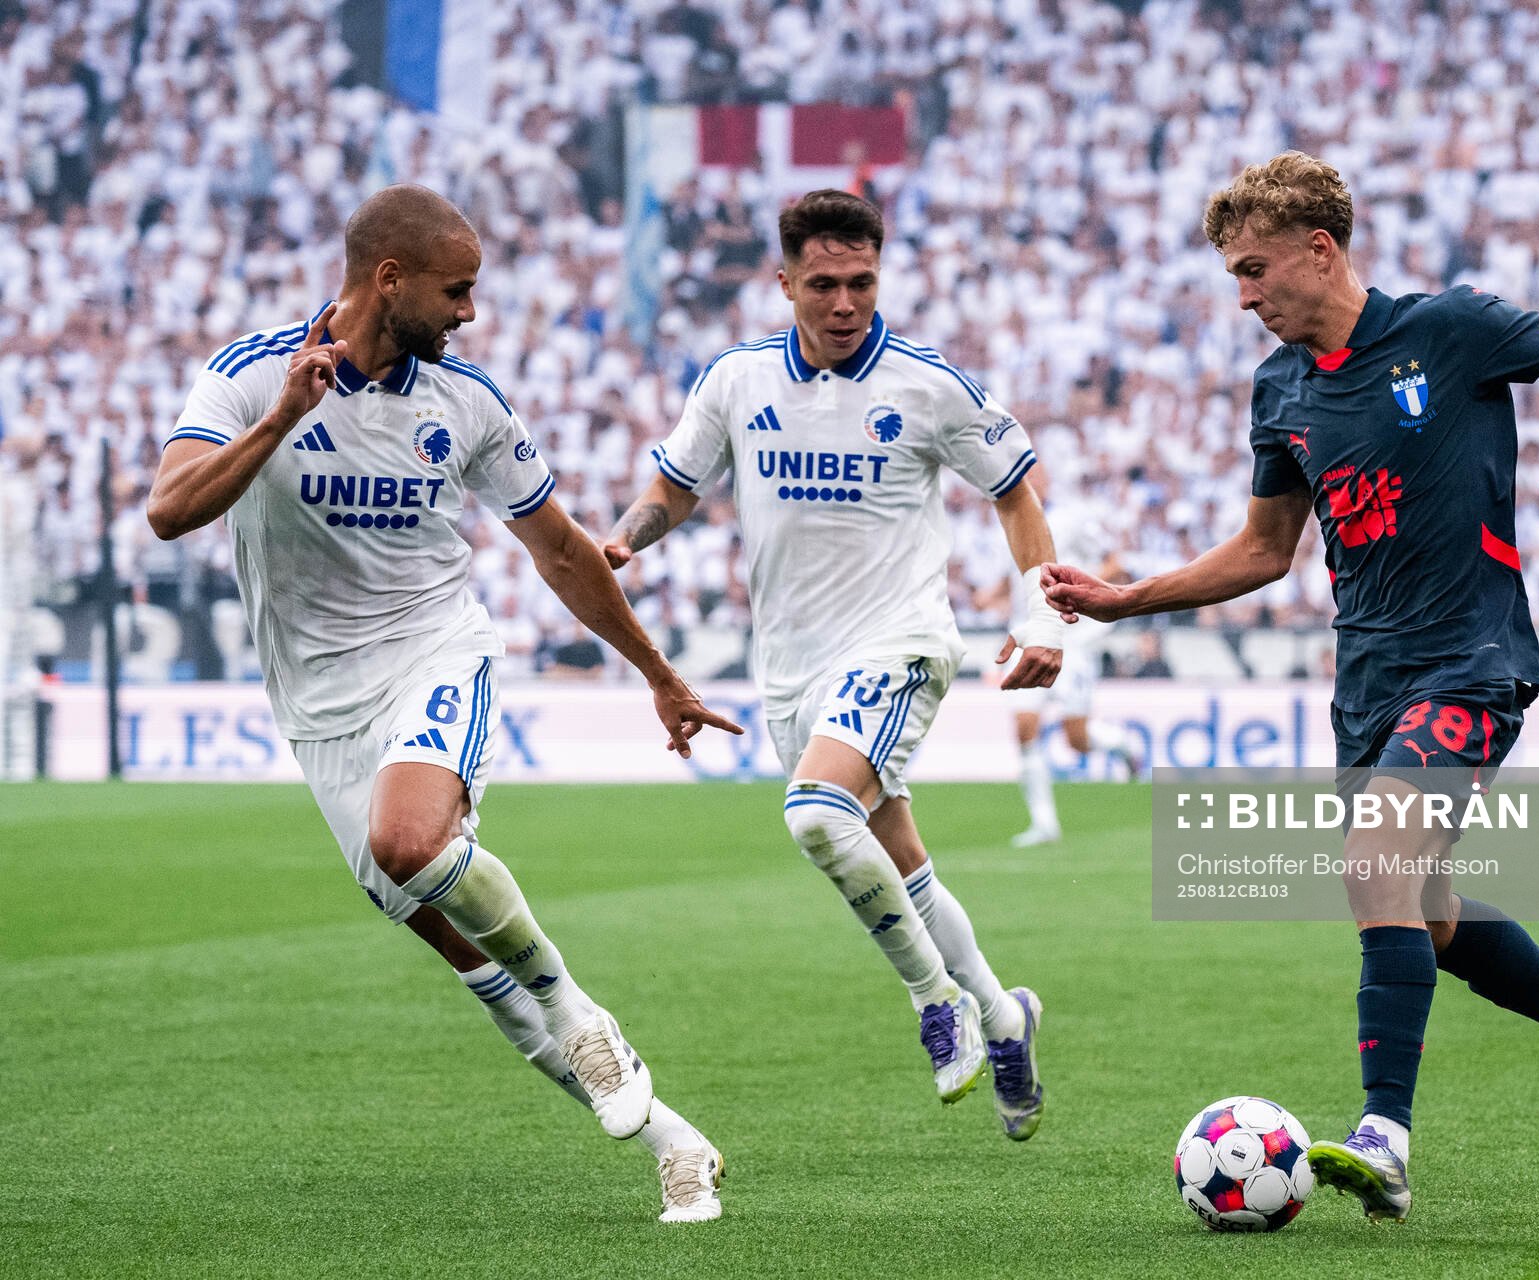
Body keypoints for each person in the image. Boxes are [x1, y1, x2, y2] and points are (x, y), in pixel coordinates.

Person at [1042, 153, 1539, 1221]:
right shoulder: (1278, 387)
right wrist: (1124, 599)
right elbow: (1262, 548)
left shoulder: (1449, 328)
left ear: (1318, 249)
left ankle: (1384, 1135)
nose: (1242, 295)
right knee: (1418, 911)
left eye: (1254, 270)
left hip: (1471, 658)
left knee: (1376, 862)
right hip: (1367, 679)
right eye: (1233, 275)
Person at [146, 184, 742, 1224]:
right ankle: (676, 1143)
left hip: (433, 649)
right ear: (390, 279)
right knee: (475, 967)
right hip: (320, 706)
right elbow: (169, 509)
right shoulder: (249, 377)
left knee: (412, 840)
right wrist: (285, 417)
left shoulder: (466, 401)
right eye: (456, 290)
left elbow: (557, 547)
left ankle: (578, 1010)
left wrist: (658, 671)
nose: (469, 311)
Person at [602, 189, 1058, 1141]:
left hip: (900, 642)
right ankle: (1007, 1016)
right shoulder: (734, 381)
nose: (845, 302)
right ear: (785, 283)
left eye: (861, 282)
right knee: (900, 865)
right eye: (823, 284)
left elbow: (1016, 491)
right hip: (792, 669)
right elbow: (674, 489)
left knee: (816, 815)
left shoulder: (930, 386)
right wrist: (625, 540)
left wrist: (1035, 615)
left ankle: (939, 1004)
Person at [999, 468, 1143, 847]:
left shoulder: (1072, 519)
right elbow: (1014, 581)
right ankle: (1044, 824)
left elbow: (1115, 563)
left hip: (1073, 639)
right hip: (1030, 635)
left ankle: (1124, 745)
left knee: (1075, 738)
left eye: (1034, 474)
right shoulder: (1009, 519)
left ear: (1044, 479)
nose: (1029, 481)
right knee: (1024, 727)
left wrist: (1078, 583)